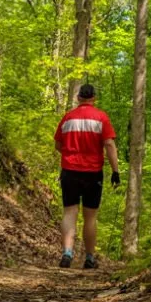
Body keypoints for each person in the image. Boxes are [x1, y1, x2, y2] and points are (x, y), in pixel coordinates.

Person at [54, 83, 120, 269]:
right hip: (92, 173)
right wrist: (115, 171)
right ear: (94, 98)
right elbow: (109, 145)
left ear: (78, 98)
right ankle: (89, 258)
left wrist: (70, 155)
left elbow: (58, 144)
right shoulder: (101, 118)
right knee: (90, 216)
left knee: (69, 212)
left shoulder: (68, 117)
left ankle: (67, 253)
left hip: (69, 171)